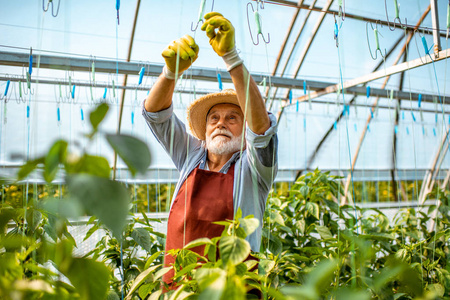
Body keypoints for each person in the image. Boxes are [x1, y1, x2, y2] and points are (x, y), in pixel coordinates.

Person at [142, 12, 278, 288]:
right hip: (180, 287)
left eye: (232, 118)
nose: (221, 124)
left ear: (245, 130)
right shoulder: (190, 156)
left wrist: (231, 58)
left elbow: (262, 132)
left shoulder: (254, 169)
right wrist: (171, 72)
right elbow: (156, 114)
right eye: (213, 119)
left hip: (233, 289)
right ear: (203, 132)